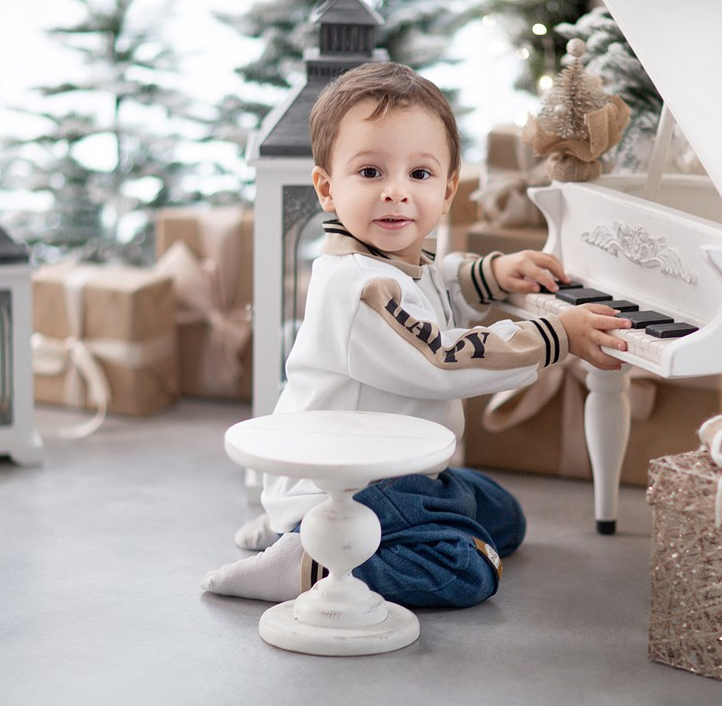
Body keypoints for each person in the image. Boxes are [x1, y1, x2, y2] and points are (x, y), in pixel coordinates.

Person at [201, 61, 630, 608]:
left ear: (448, 190)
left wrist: (492, 273)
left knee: (504, 517)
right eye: (370, 172)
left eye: (420, 174)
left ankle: (308, 532)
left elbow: (436, 283)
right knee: (467, 569)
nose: (396, 192)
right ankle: (309, 558)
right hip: (353, 482)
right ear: (327, 189)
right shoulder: (361, 288)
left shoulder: (397, 262)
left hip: (399, 469)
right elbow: (438, 359)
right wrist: (553, 337)